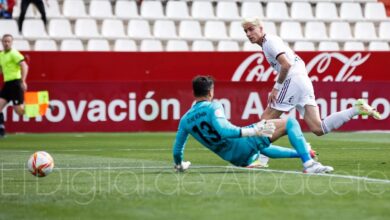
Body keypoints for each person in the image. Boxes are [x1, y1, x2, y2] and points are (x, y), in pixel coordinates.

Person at [241, 17, 381, 136]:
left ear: (261, 28)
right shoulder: (270, 42)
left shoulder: (269, 42)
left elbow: (286, 65)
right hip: (302, 80)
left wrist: (276, 88)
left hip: (293, 79)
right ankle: (356, 109)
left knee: (265, 120)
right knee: (318, 128)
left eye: (251, 29)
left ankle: (261, 158)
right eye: (246, 31)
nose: (248, 33)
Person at [172, 75, 333, 174]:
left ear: (193, 93)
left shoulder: (185, 120)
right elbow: (226, 131)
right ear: (210, 92)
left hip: (236, 159)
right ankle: (308, 164)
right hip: (242, 144)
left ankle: (304, 153)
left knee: (261, 147)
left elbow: (177, 150)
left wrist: (180, 164)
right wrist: (254, 130)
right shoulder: (213, 106)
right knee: (291, 122)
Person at [0, 34, 28, 137]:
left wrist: (23, 81)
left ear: (11, 43)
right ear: (2, 42)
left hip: (16, 83)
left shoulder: (14, 54)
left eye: (8, 41)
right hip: (7, 84)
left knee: (19, 112)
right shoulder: (1, 55)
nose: (6, 43)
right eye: (4, 41)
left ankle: (45, 105)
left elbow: (24, 66)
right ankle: (1, 130)